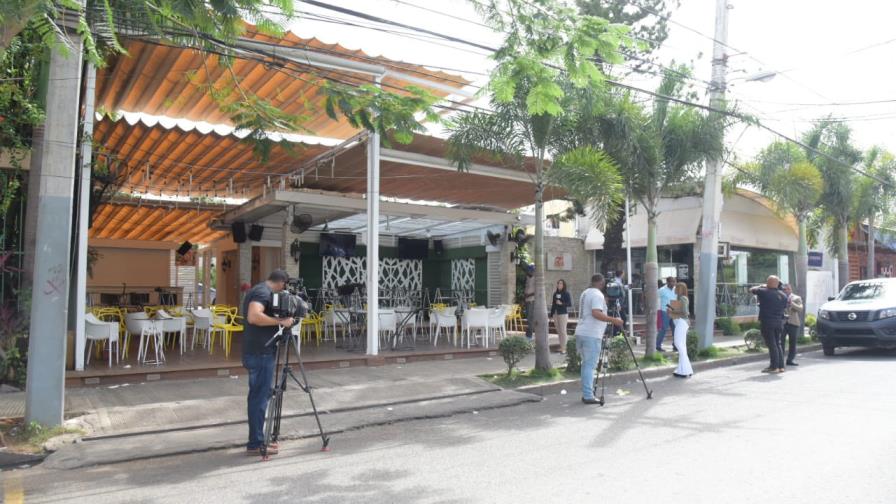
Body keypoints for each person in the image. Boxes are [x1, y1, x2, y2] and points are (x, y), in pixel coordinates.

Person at [241, 269, 296, 456]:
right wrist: (280, 321)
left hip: (260, 352)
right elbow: (254, 316)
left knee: (259, 397)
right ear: (282, 283)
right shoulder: (262, 292)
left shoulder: (260, 290)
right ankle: (256, 443)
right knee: (258, 398)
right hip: (260, 354)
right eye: (285, 287)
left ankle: (258, 440)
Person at [575, 274, 624, 405]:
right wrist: (614, 320)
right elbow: (596, 312)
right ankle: (588, 395)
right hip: (591, 334)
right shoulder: (597, 294)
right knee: (590, 366)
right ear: (601, 283)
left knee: (586, 365)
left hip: (582, 331)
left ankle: (587, 392)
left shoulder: (586, 292)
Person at [750, 275, 789, 374]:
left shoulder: (764, 292)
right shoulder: (783, 295)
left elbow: (752, 289)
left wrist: (762, 286)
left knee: (772, 345)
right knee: (778, 343)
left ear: (768, 283)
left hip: (767, 322)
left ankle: (774, 367)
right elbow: (785, 307)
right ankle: (781, 366)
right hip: (779, 322)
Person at [668, 282, 693, 378]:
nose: (674, 289)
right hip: (681, 322)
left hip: (682, 322)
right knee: (682, 345)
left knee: (678, 344)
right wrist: (672, 311)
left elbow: (685, 312)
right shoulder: (681, 298)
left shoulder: (683, 298)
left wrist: (672, 311)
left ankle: (685, 370)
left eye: (676, 288)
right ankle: (683, 369)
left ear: (679, 289)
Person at [782, 283, 803, 366]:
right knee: (781, 342)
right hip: (783, 322)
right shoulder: (780, 296)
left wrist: (791, 303)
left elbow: (800, 308)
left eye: (786, 289)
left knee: (792, 342)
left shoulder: (796, 298)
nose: (785, 291)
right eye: (783, 289)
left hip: (793, 322)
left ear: (790, 289)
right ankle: (780, 359)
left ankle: (790, 360)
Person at [549, 279, 572, 353]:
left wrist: (561, 303)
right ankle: (562, 346)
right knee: (559, 331)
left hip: (563, 314)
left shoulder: (566, 293)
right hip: (555, 314)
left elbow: (569, 304)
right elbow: (553, 304)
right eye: (558, 283)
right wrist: (551, 314)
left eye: (561, 283)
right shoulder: (555, 294)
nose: (559, 285)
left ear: (563, 285)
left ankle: (565, 348)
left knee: (563, 331)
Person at [656, 276, 677, 352]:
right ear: (667, 282)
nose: (673, 283)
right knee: (663, 328)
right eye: (671, 281)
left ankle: (675, 345)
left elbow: (676, 299)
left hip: (674, 311)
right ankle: (657, 345)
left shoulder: (675, 290)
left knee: (675, 329)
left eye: (674, 281)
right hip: (665, 311)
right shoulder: (662, 290)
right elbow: (655, 298)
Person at [524, 264, 535, 340]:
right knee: (528, 318)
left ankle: (529, 336)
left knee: (530, 318)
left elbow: (537, 291)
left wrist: (528, 295)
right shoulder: (528, 278)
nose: (529, 272)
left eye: (530, 270)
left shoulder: (535, 279)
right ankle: (528, 334)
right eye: (528, 270)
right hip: (527, 300)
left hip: (532, 301)